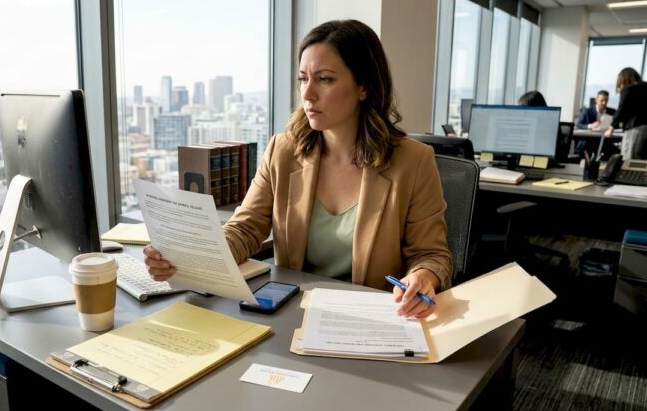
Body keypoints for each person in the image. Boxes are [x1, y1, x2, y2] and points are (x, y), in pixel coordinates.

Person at [144, 19, 452, 319]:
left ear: (364, 87)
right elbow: (246, 229)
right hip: (293, 315)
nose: (307, 94)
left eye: (325, 79)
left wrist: (424, 276)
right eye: (303, 78)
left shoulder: (413, 161)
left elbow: (431, 254)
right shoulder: (283, 150)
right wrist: (192, 254)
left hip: (371, 320)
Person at [604, 67, 647, 159]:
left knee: (629, 160)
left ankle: (629, 174)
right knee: (642, 161)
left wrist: (611, 128)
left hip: (636, 129)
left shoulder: (628, 90)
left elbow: (622, 109)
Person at [575, 90, 616, 157]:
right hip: (590, 139)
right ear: (596, 100)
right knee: (584, 145)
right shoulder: (587, 111)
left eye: (606, 100)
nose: (604, 103)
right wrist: (590, 125)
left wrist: (612, 127)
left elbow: (617, 124)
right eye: (602, 100)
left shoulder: (612, 112)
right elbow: (579, 124)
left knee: (615, 151)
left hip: (604, 139)